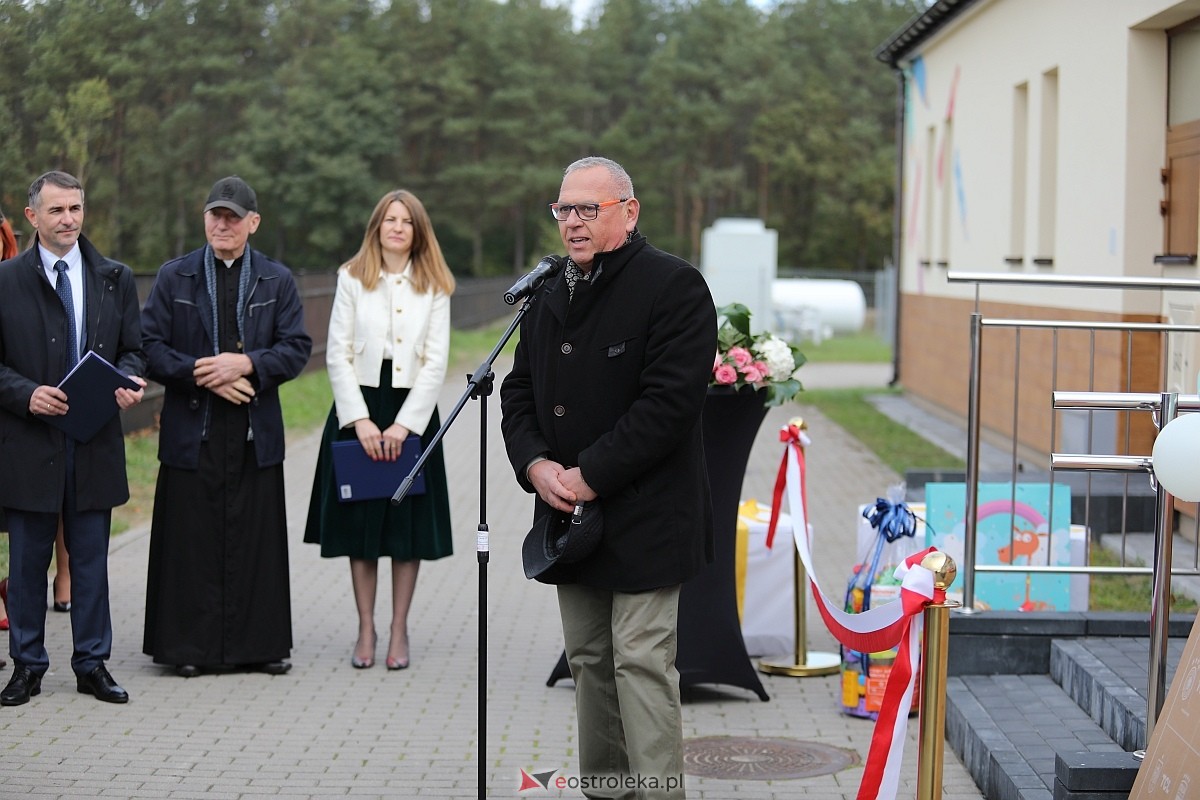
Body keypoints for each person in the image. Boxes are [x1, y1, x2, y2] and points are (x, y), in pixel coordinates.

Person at [499, 156, 717, 799]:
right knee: (589, 661)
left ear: (629, 211)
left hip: (647, 513)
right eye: (564, 209)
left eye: (588, 209)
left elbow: (670, 406)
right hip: (571, 516)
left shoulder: (673, 286)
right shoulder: (548, 292)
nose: (573, 222)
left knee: (640, 660)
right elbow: (518, 390)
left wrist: (590, 474)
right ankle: (606, 790)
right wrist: (536, 464)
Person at [141, 175, 311, 678]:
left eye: (233, 216)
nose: (222, 223)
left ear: (253, 223)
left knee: (254, 539)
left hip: (254, 431)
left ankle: (258, 647)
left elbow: (296, 347)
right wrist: (205, 373)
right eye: (215, 214)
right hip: (194, 430)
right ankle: (188, 648)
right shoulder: (175, 277)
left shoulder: (277, 280)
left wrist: (247, 366)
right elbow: (150, 347)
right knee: (190, 541)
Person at [0, 170, 147, 706]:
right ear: (32, 216)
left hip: (93, 439)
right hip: (27, 442)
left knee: (89, 560)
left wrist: (130, 381)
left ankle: (92, 663)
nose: (69, 220)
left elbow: (135, 349)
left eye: (76, 209)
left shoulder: (114, 276)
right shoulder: (5, 281)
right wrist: (24, 393)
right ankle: (27, 667)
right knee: (26, 564)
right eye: (57, 210)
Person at [304, 190, 455, 671]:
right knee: (361, 525)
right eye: (389, 219)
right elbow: (337, 354)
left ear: (417, 231)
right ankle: (366, 627)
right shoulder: (352, 278)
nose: (396, 227)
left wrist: (406, 425)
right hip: (360, 409)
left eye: (406, 221)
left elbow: (436, 362)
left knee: (405, 528)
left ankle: (399, 629)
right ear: (376, 226)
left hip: (412, 409)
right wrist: (362, 422)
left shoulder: (435, 284)